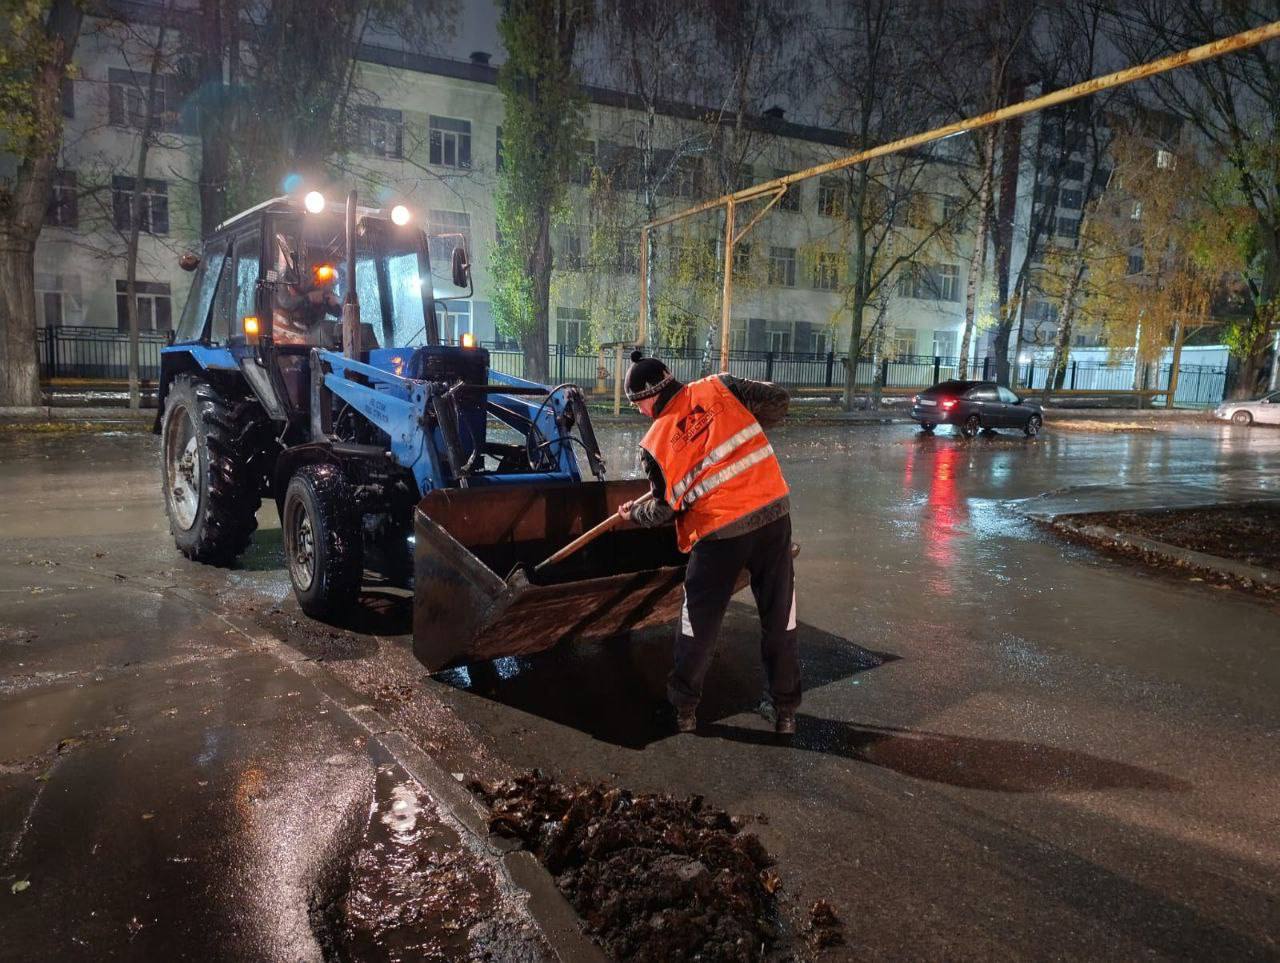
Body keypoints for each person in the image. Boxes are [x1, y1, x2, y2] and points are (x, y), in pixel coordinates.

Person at [618, 350, 800, 735]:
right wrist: (747, 419)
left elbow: (665, 510)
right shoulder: (722, 386)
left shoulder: (654, 443)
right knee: (779, 614)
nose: (639, 413)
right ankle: (784, 711)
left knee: (698, 623)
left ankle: (683, 710)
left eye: (637, 405)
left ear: (649, 397)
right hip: (773, 516)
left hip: (720, 534)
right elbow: (778, 400)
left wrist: (633, 515)